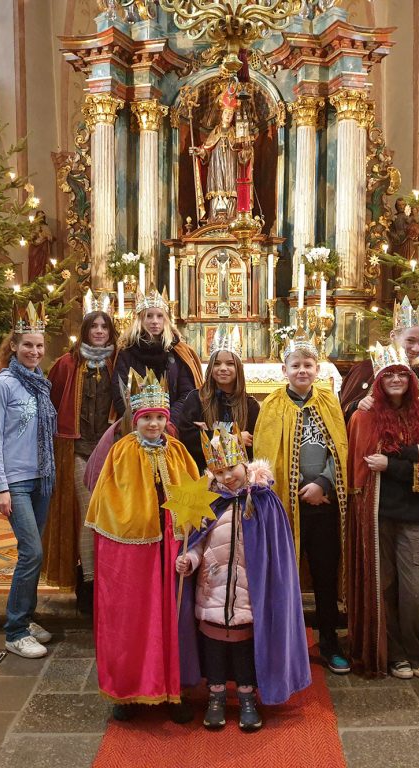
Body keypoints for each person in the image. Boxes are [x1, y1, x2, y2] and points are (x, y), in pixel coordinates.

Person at [176, 423, 310, 731]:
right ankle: (216, 697)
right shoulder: (209, 503)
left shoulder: (264, 501)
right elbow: (197, 543)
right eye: (219, 472)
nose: (227, 477)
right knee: (213, 649)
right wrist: (188, 561)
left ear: (244, 463)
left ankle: (248, 698)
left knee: (244, 650)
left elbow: (275, 553)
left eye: (231, 468)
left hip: (250, 595)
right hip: (212, 593)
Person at [85, 369, 202, 723]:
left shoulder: (178, 451)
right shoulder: (120, 452)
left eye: (159, 418)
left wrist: (185, 531)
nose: (153, 424)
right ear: (135, 419)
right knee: (132, 619)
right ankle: (127, 691)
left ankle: (174, 689)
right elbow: (107, 504)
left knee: (175, 618)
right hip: (133, 550)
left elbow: (193, 496)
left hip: (171, 546)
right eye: (147, 418)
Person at [347, 344, 419, 679]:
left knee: (417, 589)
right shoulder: (364, 416)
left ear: (412, 379)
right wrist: (413, 454)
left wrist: (394, 462)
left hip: (416, 515)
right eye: (389, 375)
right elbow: (367, 462)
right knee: (382, 584)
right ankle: (395, 653)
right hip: (378, 514)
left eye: (402, 374)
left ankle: (416, 650)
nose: (396, 379)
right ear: (379, 380)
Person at [253, 330, 351, 675]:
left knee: (324, 576)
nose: (302, 371)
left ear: (317, 368)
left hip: (323, 505)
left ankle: (329, 641)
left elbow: (340, 448)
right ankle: (285, 645)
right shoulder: (272, 405)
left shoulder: (328, 402)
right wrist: (290, 488)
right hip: (285, 507)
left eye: (308, 365)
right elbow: (265, 455)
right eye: (295, 365)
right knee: (285, 578)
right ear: (284, 370)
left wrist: (323, 483)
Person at [0, 302, 57, 659]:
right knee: (32, 552)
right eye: (27, 344)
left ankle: (26, 620)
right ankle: (14, 630)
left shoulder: (40, 384)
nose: (34, 351)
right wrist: (0, 487)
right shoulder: (3, 385)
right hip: (15, 481)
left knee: (33, 553)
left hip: (41, 478)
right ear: (13, 345)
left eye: (39, 345)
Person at [43, 290, 118, 611]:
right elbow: (50, 405)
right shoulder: (66, 364)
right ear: (85, 329)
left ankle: (111, 580)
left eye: (104, 326)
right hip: (78, 450)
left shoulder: (119, 363)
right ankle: (89, 583)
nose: (99, 331)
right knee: (88, 513)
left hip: (113, 453)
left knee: (111, 515)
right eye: (93, 326)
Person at [340, 295, 419, 421]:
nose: (415, 348)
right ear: (393, 336)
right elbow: (342, 413)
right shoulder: (364, 370)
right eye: (410, 340)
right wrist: (356, 405)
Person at [173, 324, 260, 473]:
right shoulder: (196, 399)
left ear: (239, 368)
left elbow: (253, 446)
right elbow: (189, 440)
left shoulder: (250, 405)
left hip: (240, 478)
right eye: (217, 364)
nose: (223, 368)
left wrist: (208, 435)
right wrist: (235, 440)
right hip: (204, 475)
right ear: (210, 368)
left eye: (230, 364)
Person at [111, 288, 203, 418]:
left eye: (160, 316)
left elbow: (187, 392)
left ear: (166, 319)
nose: (155, 321)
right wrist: (139, 421)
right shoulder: (127, 351)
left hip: (173, 422)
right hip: (136, 423)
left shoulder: (177, 351)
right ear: (140, 319)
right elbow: (119, 392)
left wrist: (169, 420)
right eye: (149, 316)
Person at [191, 81, 241, 222]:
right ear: (221, 114)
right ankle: (214, 217)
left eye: (231, 113)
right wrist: (200, 152)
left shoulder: (236, 133)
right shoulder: (215, 131)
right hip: (216, 165)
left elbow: (243, 154)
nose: (228, 115)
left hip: (231, 165)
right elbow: (207, 150)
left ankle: (232, 216)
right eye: (226, 112)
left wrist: (247, 151)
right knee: (217, 186)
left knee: (231, 188)